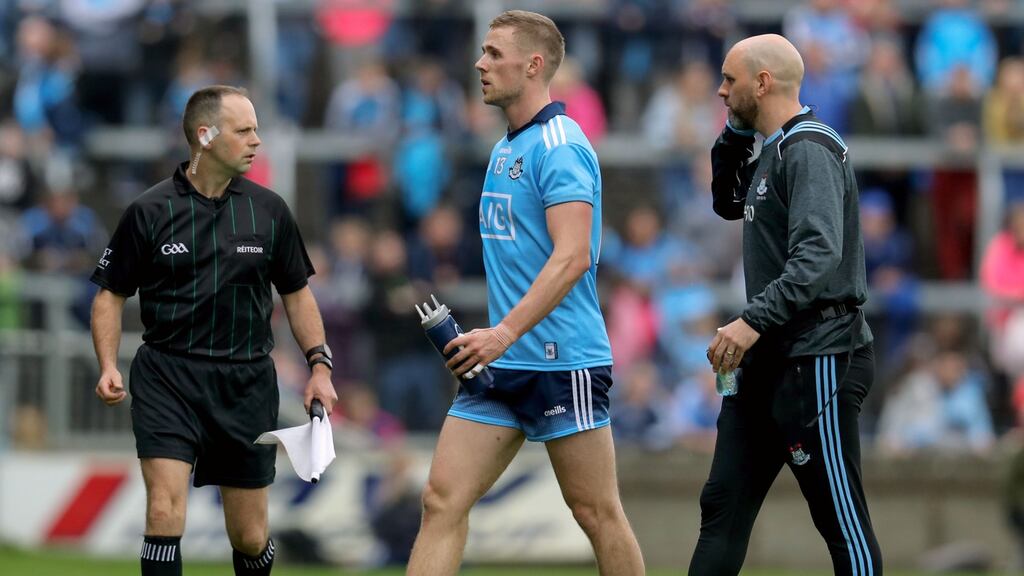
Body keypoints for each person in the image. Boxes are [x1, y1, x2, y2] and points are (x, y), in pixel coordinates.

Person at [405, 11, 645, 576]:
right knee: (441, 500)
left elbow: (573, 257)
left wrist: (504, 331)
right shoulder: (503, 150)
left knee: (595, 511)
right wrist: (496, 340)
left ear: (533, 65)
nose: (479, 64)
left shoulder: (561, 147)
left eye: (493, 54)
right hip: (499, 364)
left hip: (563, 362)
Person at [89, 85, 338, 576]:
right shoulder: (148, 211)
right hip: (167, 378)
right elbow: (109, 296)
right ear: (205, 136)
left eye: (256, 130)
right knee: (164, 512)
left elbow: (297, 295)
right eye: (244, 130)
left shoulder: (269, 211)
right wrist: (106, 365)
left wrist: (320, 367)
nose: (257, 140)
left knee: (248, 536)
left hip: (245, 383)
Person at [693, 35, 882, 575]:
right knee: (721, 509)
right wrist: (733, 131)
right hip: (770, 358)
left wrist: (751, 320)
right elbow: (728, 201)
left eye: (730, 80)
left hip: (819, 355)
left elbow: (819, 255)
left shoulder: (810, 148)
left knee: (840, 521)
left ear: (763, 82)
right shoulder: (775, 148)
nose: (720, 90)